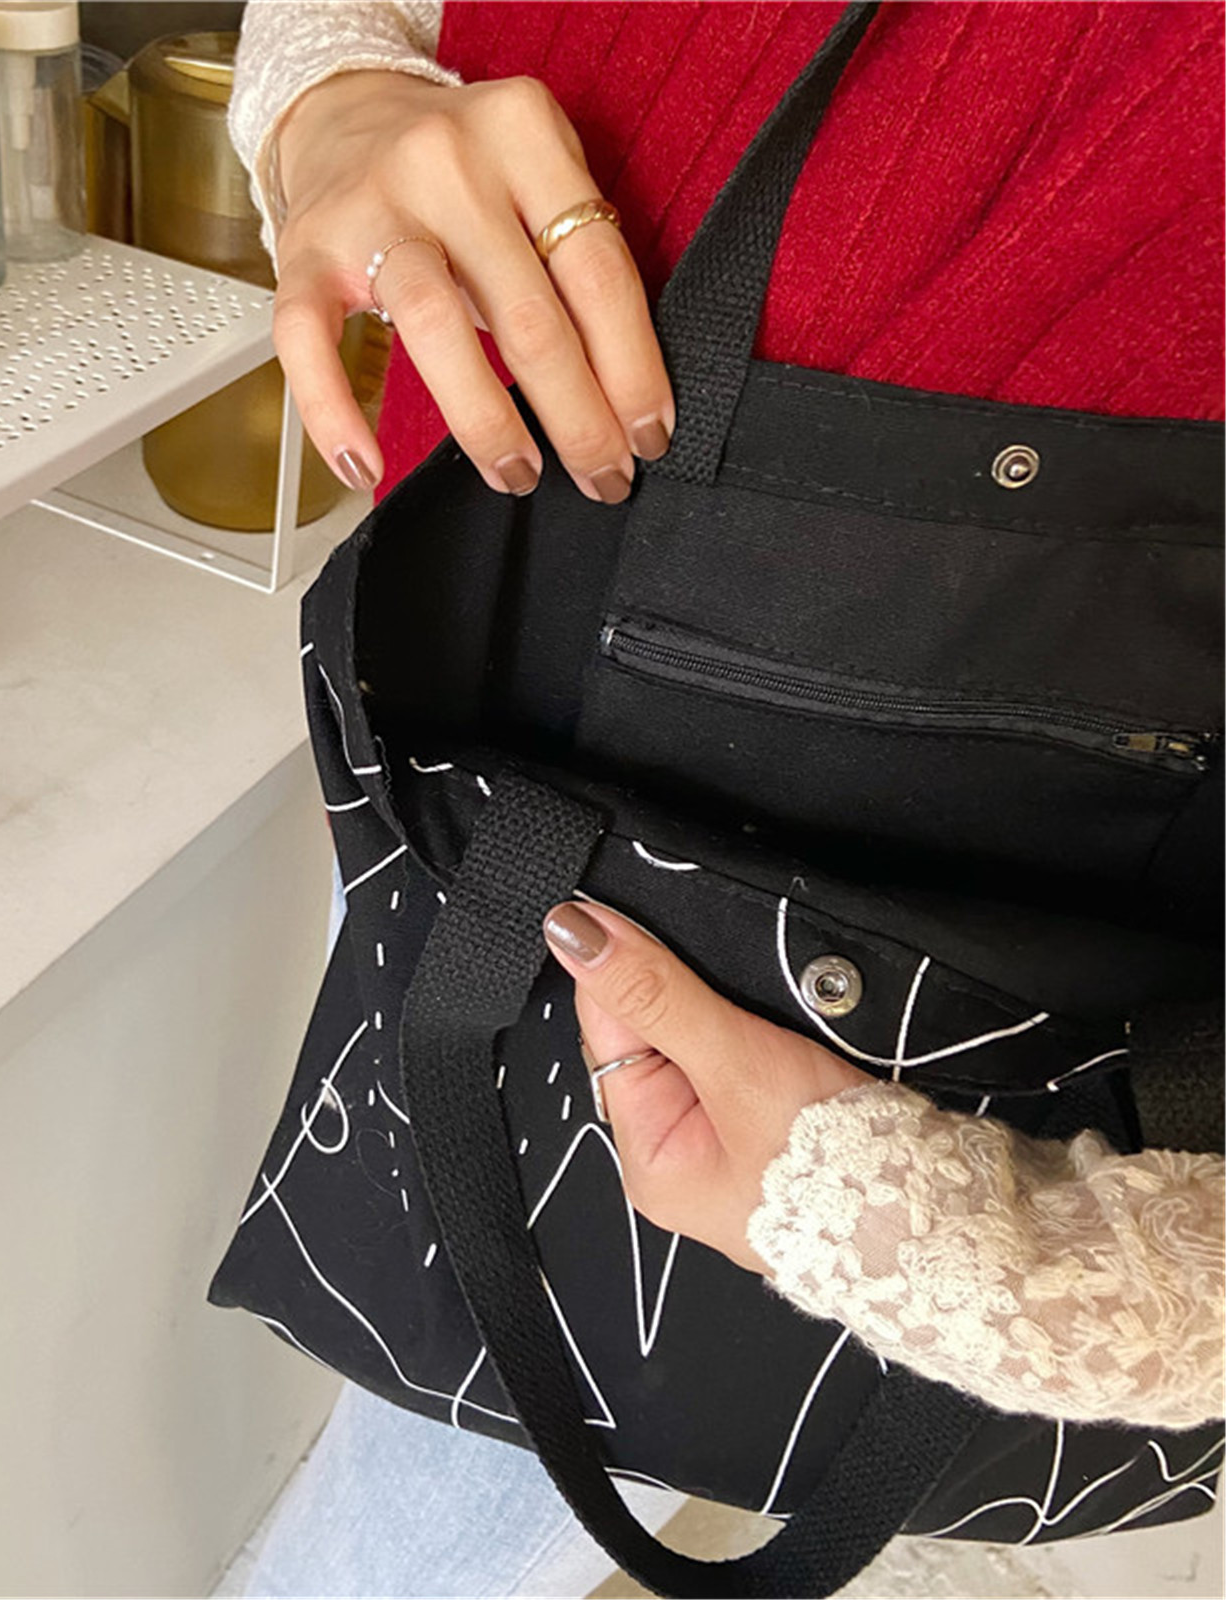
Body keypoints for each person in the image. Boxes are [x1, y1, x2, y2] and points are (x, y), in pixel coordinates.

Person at [221, 4, 1225, 1594]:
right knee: (457, 1371)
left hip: (961, 844)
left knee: (456, 1483)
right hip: (500, 674)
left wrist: (919, 1227)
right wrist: (334, 103)